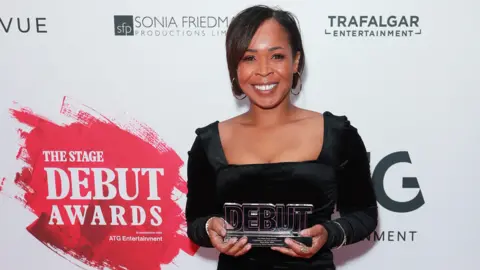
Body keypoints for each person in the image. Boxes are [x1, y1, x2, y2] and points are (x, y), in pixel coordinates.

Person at [185, 4, 378, 270]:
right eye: (248, 58)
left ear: (295, 61)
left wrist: (330, 233)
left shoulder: (337, 134)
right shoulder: (209, 142)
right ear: (235, 66)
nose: (263, 70)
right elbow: (196, 222)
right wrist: (209, 228)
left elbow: (364, 215)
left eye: (276, 56)